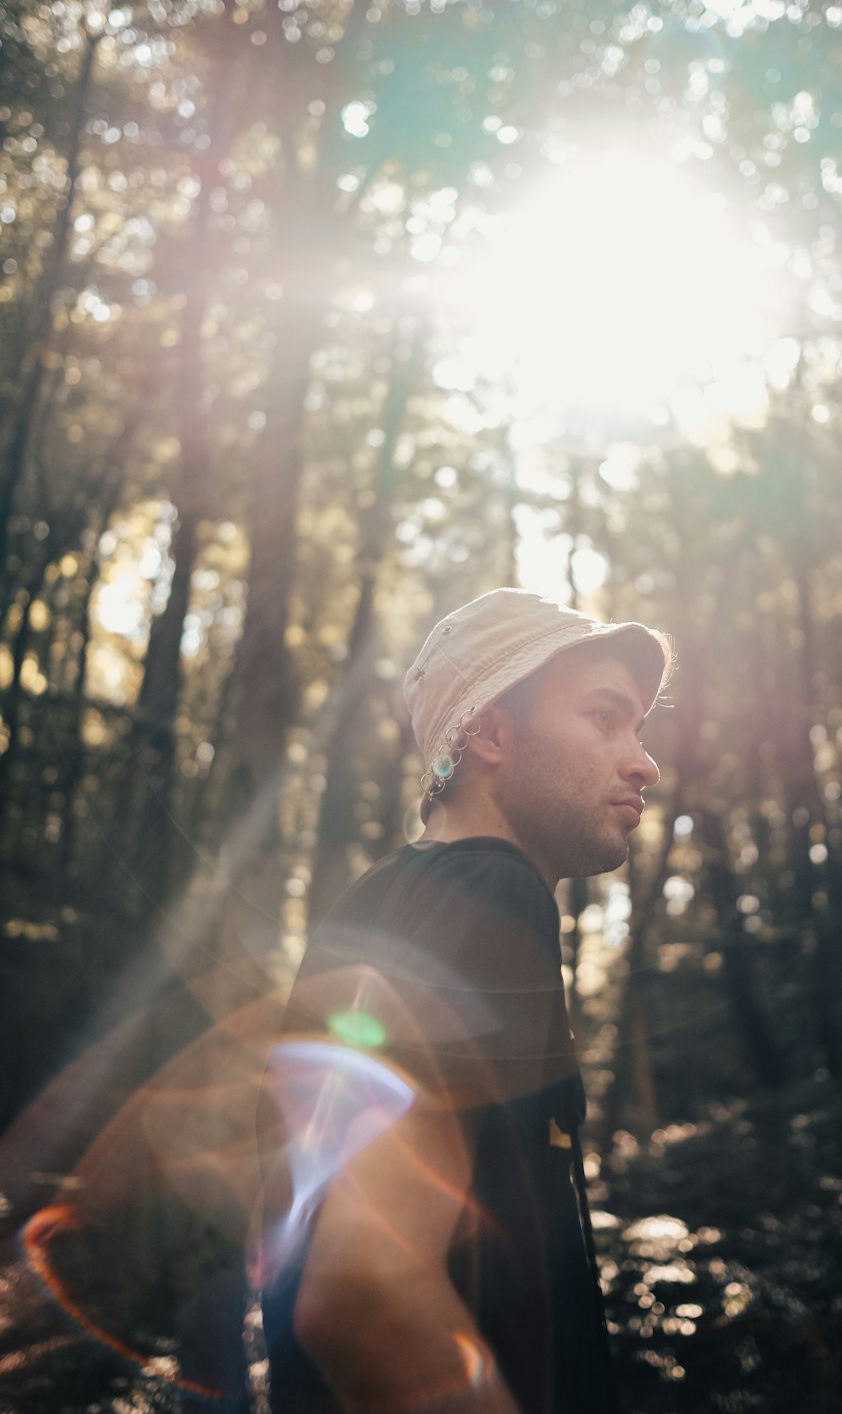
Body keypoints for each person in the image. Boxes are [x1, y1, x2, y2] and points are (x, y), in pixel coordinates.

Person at [257, 588, 672, 1414]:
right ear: (488, 731)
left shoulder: (376, 904)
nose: (643, 762)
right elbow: (360, 1293)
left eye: (637, 727)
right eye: (603, 717)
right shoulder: (493, 890)